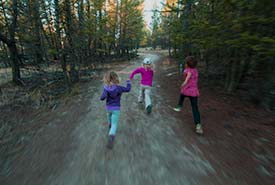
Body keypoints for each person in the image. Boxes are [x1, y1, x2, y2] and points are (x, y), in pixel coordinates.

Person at [100, 71, 131, 149]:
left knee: (109, 118)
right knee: (115, 124)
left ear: (106, 79)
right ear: (117, 79)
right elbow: (128, 89)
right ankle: (111, 136)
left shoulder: (106, 88)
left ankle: (109, 125)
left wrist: (104, 94)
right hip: (116, 109)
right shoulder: (119, 88)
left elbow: (102, 98)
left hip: (108, 108)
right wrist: (128, 82)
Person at [173, 56, 203, 134]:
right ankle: (198, 125)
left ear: (187, 64)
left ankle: (179, 106)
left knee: (182, 95)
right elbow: (195, 81)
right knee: (195, 108)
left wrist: (183, 84)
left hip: (187, 90)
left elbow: (187, 78)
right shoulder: (196, 71)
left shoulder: (187, 70)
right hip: (194, 92)